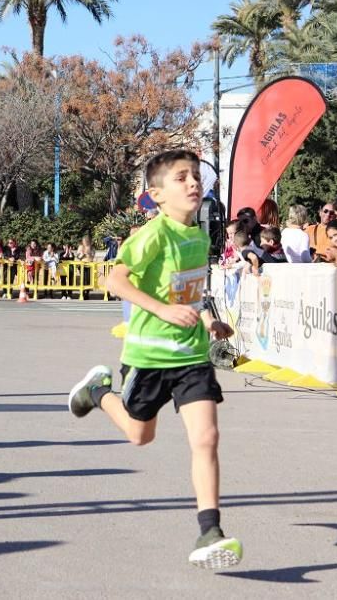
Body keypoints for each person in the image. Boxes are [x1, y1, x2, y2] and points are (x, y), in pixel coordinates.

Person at [67, 150, 241, 570]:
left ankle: (209, 530)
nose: (193, 183)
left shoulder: (199, 237)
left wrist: (207, 320)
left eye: (196, 176)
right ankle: (97, 392)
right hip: (148, 357)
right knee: (138, 436)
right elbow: (115, 279)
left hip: (192, 357)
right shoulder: (152, 234)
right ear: (156, 195)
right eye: (181, 178)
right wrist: (162, 311)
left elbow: (189, 295)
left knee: (207, 438)